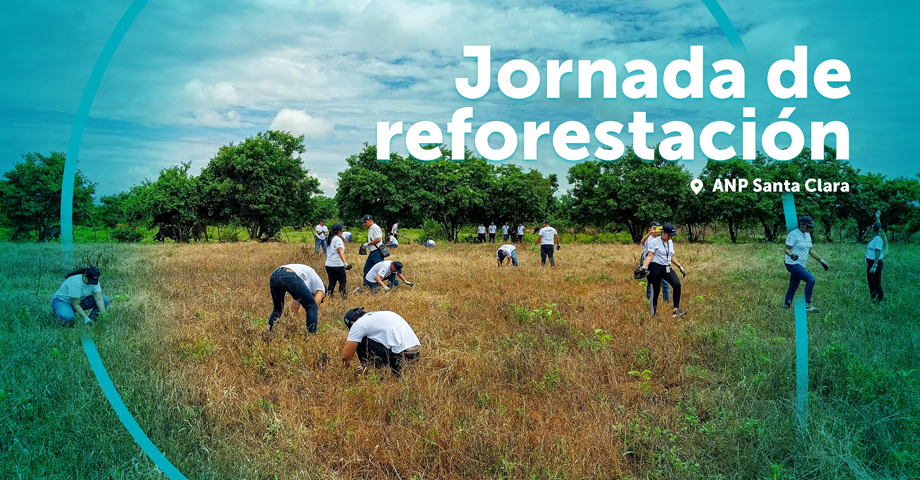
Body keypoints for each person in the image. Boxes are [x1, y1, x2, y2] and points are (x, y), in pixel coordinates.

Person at [341, 308, 421, 376]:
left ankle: (369, 370)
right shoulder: (380, 315)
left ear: (352, 323)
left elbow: (346, 357)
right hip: (416, 352)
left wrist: (343, 374)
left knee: (359, 341)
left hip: (400, 355)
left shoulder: (358, 324)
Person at [639, 224, 686, 318]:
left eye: (672, 235)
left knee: (677, 284)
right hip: (655, 268)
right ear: (663, 232)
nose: (670, 237)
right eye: (669, 235)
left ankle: (676, 310)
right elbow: (650, 256)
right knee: (655, 290)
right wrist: (644, 267)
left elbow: (671, 256)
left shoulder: (670, 242)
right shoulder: (654, 242)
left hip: (666, 267)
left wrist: (680, 266)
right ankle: (654, 313)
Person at [783, 216, 828, 313]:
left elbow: (810, 250)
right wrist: (791, 255)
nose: (809, 229)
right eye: (808, 227)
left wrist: (821, 261)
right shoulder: (794, 234)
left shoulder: (807, 235)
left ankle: (787, 306)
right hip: (792, 263)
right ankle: (808, 305)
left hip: (801, 264)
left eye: (811, 227)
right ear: (802, 224)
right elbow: (787, 249)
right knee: (811, 280)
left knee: (793, 286)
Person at [268, 264, 325, 333]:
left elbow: (294, 307)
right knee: (312, 306)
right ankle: (312, 336)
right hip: (290, 274)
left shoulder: (306, 280)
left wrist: (296, 322)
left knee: (278, 308)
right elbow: (315, 305)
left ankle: (270, 332)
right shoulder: (321, 287)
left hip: (275, 274)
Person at [640, 221, 670, 304]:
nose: (656, 230)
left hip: (661, 264)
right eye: (654, 228)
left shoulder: (661, 239)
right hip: (650, 264)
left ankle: (666, 301)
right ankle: (649, 301)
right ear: (649, 229)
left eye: (658, 228)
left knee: (665, 283)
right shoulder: (648, 238)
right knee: (651, 283)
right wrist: (650, 233)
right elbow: (642, 242)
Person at [325, 223, 352, 300]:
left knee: (332, 282)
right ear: (339, 231)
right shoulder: (337, 239)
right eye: (342, 230)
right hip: (337, 264)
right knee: (342, 281)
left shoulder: (330, 238)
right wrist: (345, 263)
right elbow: (340, 252)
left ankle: (330, 296)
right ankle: (343, 297)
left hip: (328, 264)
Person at [866, 221, 885, 303]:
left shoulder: (878, 239)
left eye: (871, 228)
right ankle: (873, 298)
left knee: (876, 282)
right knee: (871, 282)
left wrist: (874, 266)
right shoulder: (875, 237)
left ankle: (880, 299)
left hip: (875, 264)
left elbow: (877, 253)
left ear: (873, 229)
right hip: (870, 263)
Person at [361, 215, 384, 283]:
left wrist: (368, 244)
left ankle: (394, 282)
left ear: (370, 221)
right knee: (367, 269)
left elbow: (378, 239)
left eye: (365, 222)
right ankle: (366, 284)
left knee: (382, 269)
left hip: (377, 252)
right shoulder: (371, 228)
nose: (364, 224)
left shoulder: (375, 228)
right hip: (372, 252)